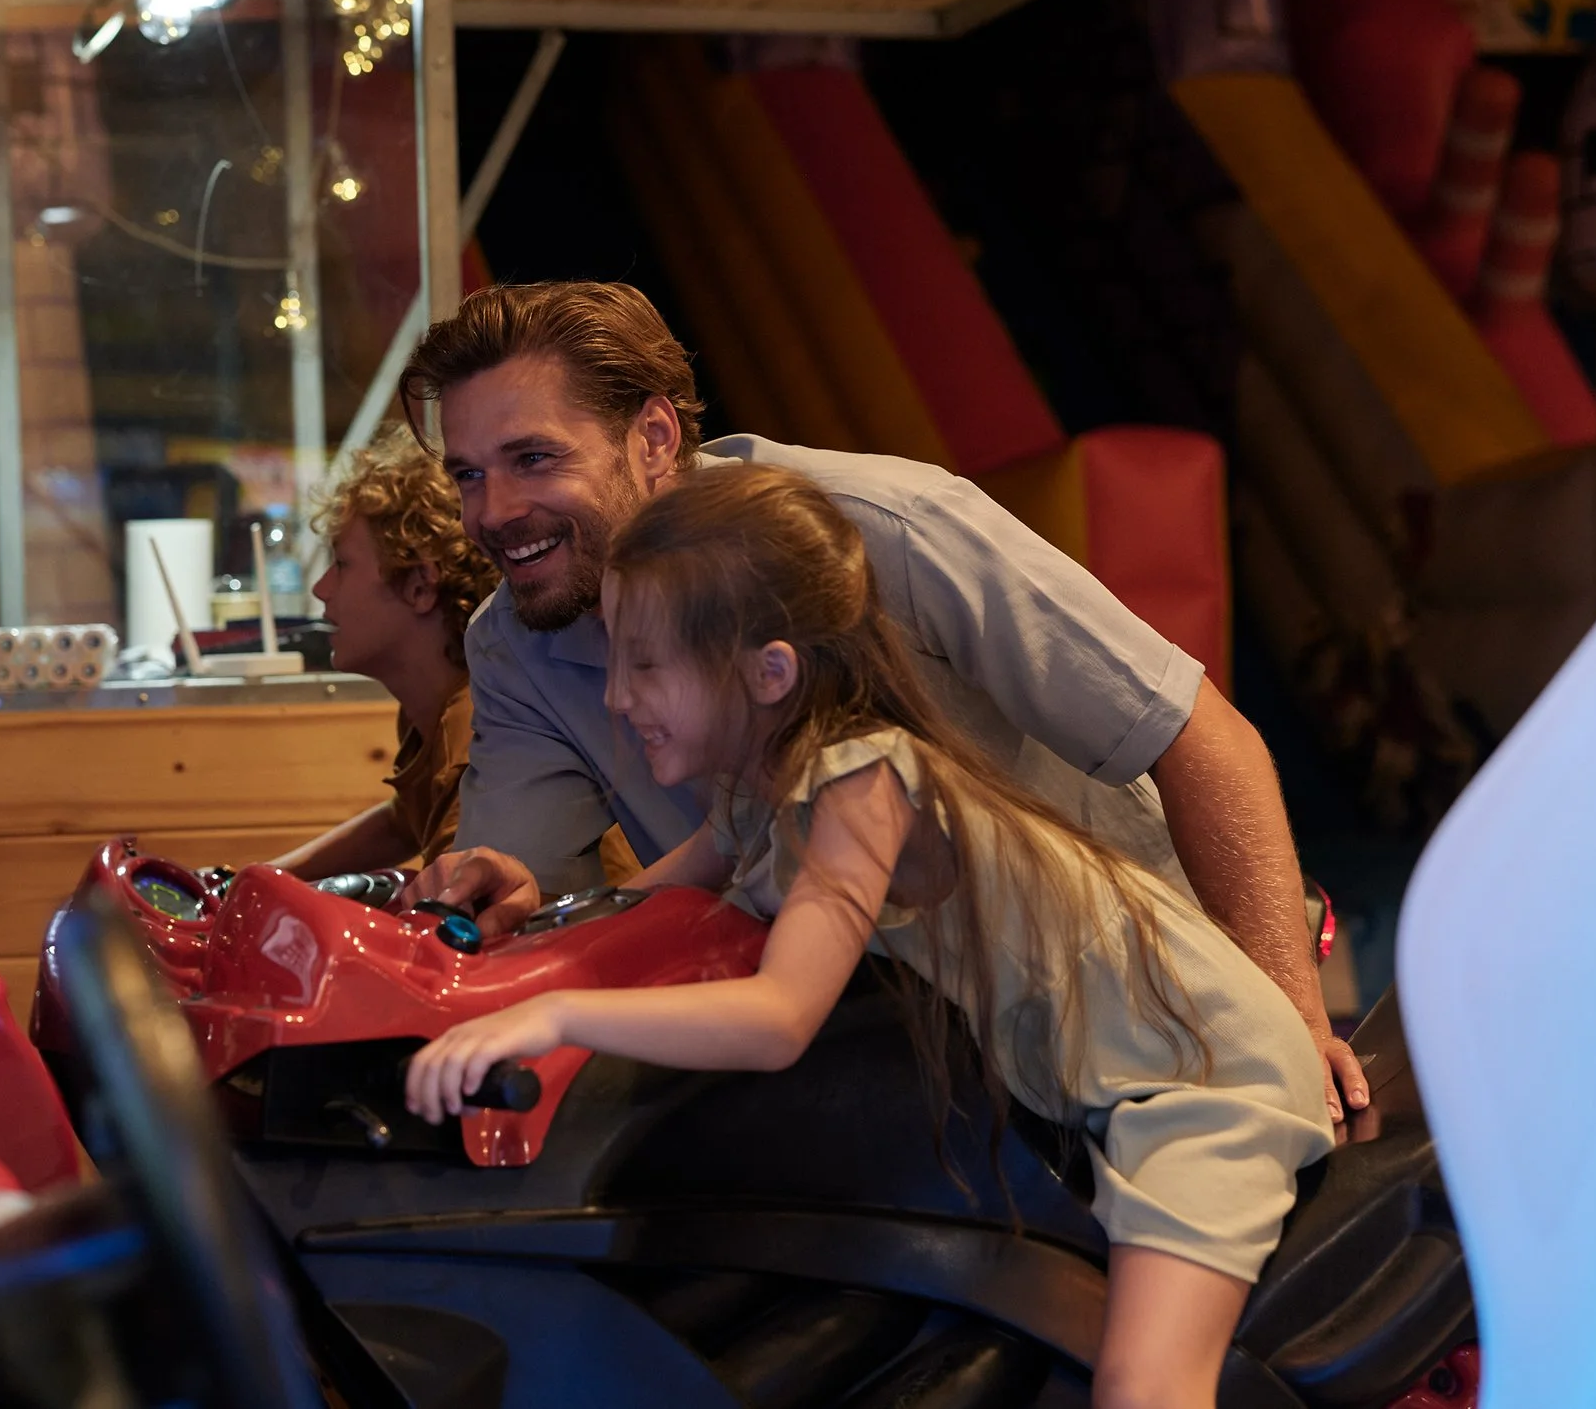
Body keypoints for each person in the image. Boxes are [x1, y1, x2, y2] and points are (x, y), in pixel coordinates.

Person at [404, 466, 1333, 1409]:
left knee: (1144, 1387)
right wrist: (503, 940)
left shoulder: (861, 781)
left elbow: (779, 1016)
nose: (614, 697)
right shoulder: (757, 792)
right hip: (1101, 1085)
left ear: (769, 673)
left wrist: (557, 1017)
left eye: (645, 665)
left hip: (1201, 1079)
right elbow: (636, 912)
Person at [400, 281, 1369, 1121]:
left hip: (1140, 1007)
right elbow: (564, 904)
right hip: (913, 1047)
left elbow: (1197, 734)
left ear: (653, 438)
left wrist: (1290, 1026)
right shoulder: (514, 638)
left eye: (533, 459)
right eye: (468, 475)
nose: (492, 512)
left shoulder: (884, 530)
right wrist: (516, 905)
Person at [270, 427, 504, 877]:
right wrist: (262, 877)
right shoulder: (434, 708)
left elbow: (452, 908)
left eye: (342, 564)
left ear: (419, 586)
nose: (321, 590)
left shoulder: (476, 739)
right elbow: (404, 822)